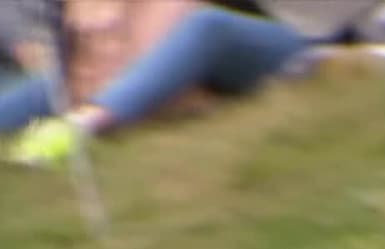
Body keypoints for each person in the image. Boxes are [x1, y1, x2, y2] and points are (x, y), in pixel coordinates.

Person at [0, 1, 309, 166]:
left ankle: (83, 124)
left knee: (210, 26)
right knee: (54, 84)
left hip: (290, 39)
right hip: (165, 60)